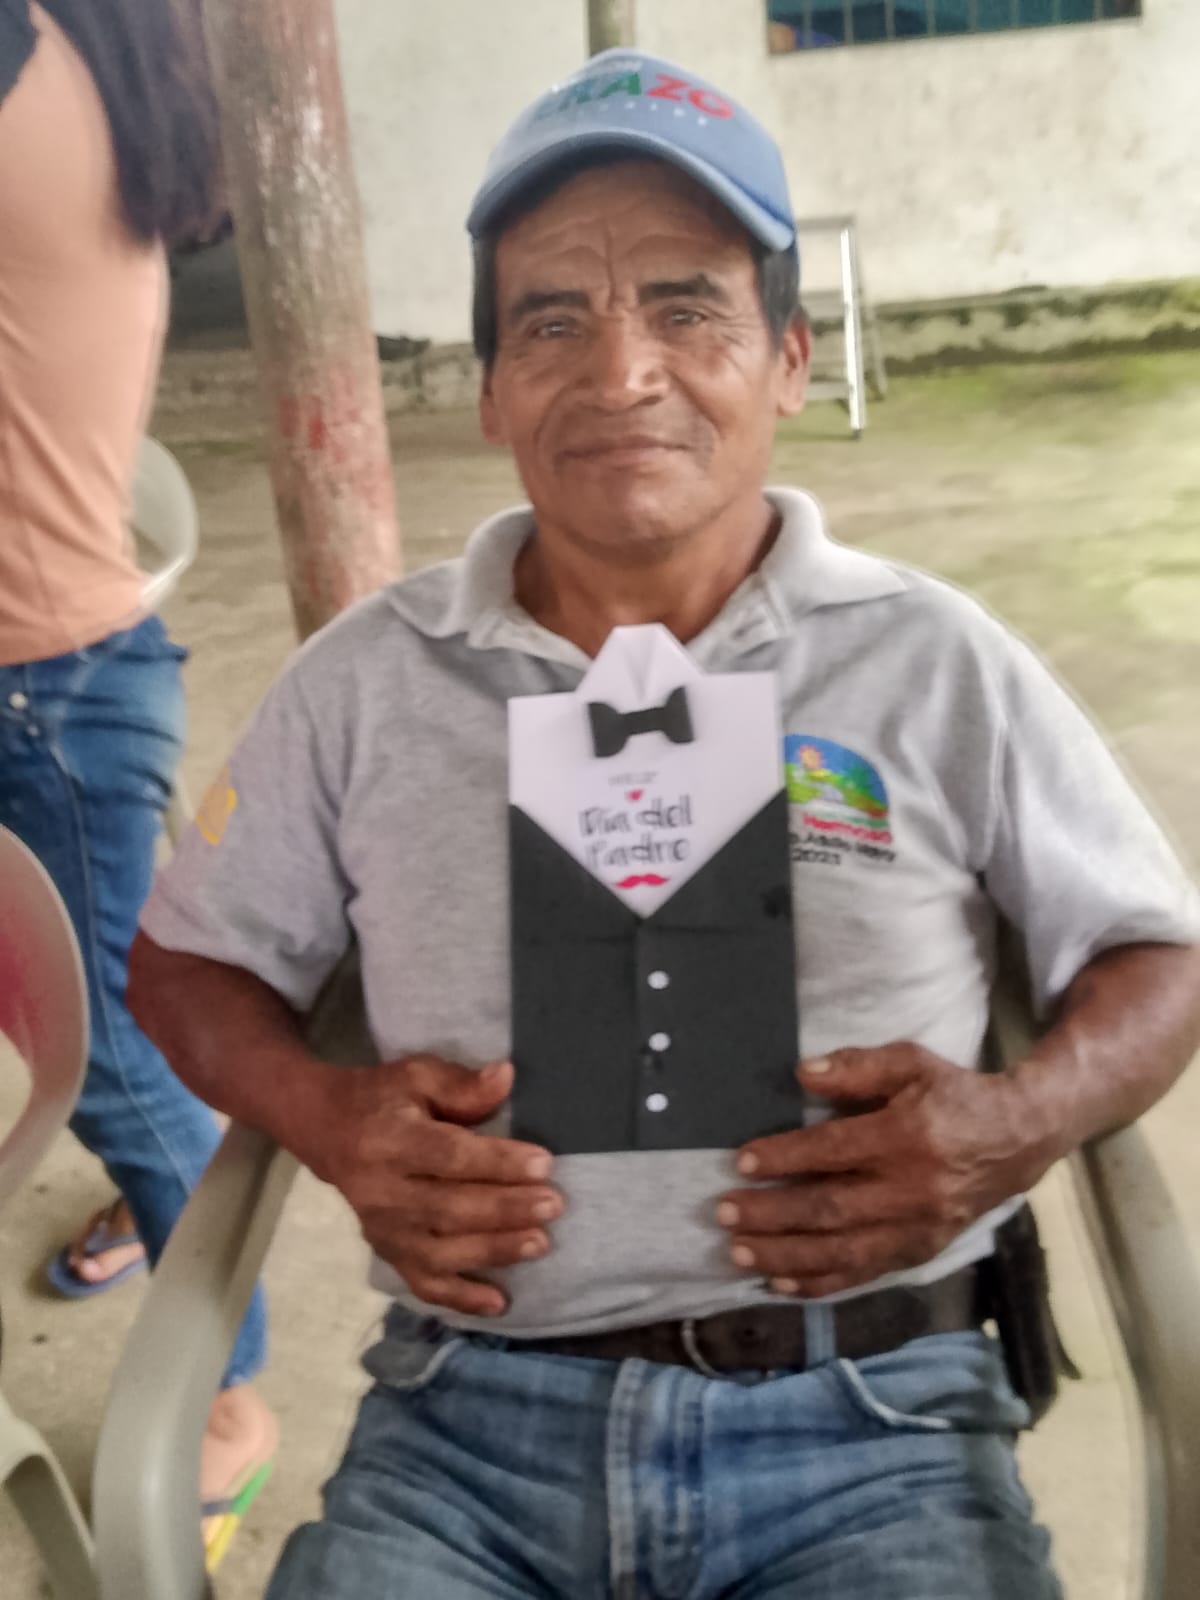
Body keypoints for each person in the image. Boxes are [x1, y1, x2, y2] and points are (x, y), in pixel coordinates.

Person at [130, 48, 1200, 1599]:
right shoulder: (368, 682)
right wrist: (327, 1115)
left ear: (790, 359)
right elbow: (186, 963)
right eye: (551, 320)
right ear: (489, 388)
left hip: (875, 1424)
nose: (620, 373)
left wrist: (1022, 1121)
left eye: (688, 308)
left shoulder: (933, 660)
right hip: (466, 1429)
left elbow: (1158, 956)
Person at [0, 0, 273, 1566]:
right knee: (112, 1032)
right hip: (73, 661)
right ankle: (146, 1193)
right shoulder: (98, 46)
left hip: (39, 689)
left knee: (115, 1062)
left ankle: (225, 1396)